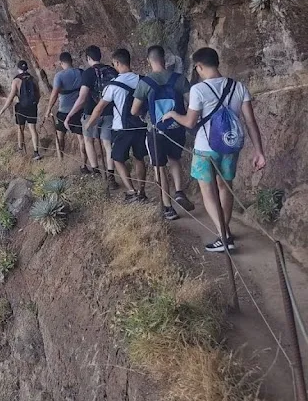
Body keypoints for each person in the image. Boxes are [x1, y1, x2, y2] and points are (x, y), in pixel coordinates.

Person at [162, 47, 266, 253]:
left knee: (207, 190)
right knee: (225, 187)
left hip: (205, 149)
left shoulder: (198, 90)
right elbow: (251, 121)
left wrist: (173, 114)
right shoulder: (238, 87)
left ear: (199, 67)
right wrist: (259, 151)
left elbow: (190, 122)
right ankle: (224, 231)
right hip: (230, 145)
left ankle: (224, 235)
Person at [131, 45, 194, 221]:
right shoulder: (179, 79)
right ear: (164, 59)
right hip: (177, 128)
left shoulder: (145, 83)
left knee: (159, 167)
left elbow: (134, 110)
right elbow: (191, 103)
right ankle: (180, 191)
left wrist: (146, 116)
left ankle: (168, 207)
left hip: (156, 131)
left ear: (148, 60)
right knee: (175, 160)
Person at [85, 48, 147, 203]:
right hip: (140, 126)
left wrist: (89, 125)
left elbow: (99, 108)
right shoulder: (143, 80)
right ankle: (142, 191)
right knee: (139, 158)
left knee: (118, 158)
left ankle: (131, 191)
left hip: (122, 128)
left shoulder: (113, 85)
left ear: (118, 63)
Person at [65, 45, 117, 184]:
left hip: (90, 113)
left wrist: (70, 115)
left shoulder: (88, 73)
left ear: (88, 58)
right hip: (110, 112)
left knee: (89, 141)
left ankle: (96, 172)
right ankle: (111, 176)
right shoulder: (112, 70)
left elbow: (82, 98)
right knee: (108, 145)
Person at [0, 60, 41, 160]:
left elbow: (10, 98)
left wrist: (1, 111)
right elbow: (38, 95)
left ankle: (20, 149)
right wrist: (34, 104)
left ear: (18, 69)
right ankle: (36, 152)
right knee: (33, 129)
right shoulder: (34, 79)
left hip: (21, 107)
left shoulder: (16, 80)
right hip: (32, 107)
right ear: (27, 68)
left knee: (20, 129)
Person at [44, 52, 83, 158]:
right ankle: (84, 163)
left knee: (60, 136)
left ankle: (61, 159)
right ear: (72, 61)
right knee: (82, 139)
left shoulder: (59, 76)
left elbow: (54, 95)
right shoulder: (80, 72)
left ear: (61, 63)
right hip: (79, 110)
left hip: (64, 110)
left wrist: (48, 110)